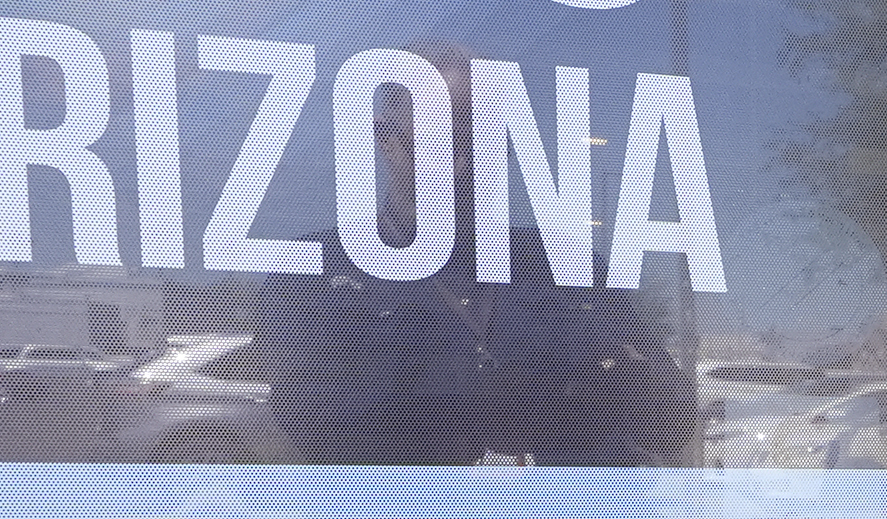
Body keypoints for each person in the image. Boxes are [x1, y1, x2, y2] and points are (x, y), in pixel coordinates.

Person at [253, 47, 693, 469]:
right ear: (385, 139)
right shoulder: (313, 276)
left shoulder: (565, 268)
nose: (463, 164)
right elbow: (321, 433)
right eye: (439, 140)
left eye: (481, 142)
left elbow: (672, 421)